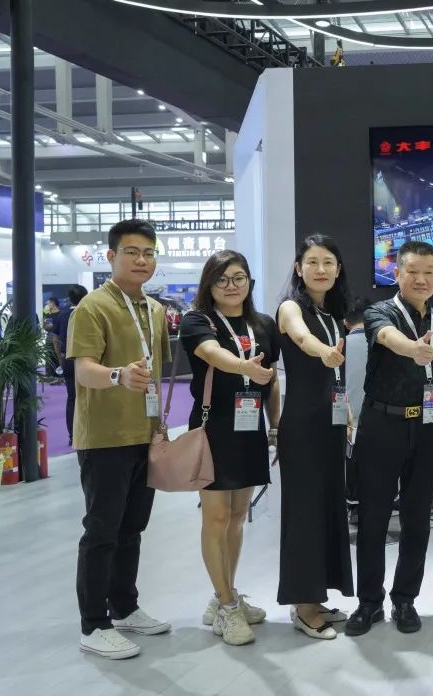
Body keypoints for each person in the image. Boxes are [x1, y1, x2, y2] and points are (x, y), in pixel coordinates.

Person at [67, 219, 172, 659]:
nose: (142, 260)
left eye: (149, 253)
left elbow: (158, 371)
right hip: (104, 438)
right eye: (132, 252)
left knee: (132, 529)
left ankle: (125, 607)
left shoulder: (156, 310)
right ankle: (93, 625)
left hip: (144, 435)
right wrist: (118, 375)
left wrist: (160, 424)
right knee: (102, 531)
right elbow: (83, 370)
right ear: (111, 256)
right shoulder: (92, 307)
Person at [347, 240, 433, 636]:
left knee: (418, 519)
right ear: (397, 274)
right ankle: (368, 603)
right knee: (373, 518)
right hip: (382, 425)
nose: (421, 279)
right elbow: (387, 338)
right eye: (413, 272)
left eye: (429, 272)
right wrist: (413, 349)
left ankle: (405, 599)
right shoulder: (380, 312)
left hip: (425, 428)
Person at [179, 251, 281, 646]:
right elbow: (212, 354)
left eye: (239, 278)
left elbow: (271, 380)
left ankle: (225, 595)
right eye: (221, 279)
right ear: (209, 285)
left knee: (238, 516)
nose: (231, 286)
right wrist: (244, 368)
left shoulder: (264, 324)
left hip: (250, 427)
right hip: (214, 428)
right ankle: (227, 606)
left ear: (249, 282)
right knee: (217, 517)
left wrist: (276, 426)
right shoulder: (197, 321)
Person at [276, 234, 355, 640]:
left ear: (338, 270)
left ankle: (317, 596)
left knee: (328, 509)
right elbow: (301, 338)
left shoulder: (332, 313)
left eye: (328, 262)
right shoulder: (291, 308)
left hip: (331, 423)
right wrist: (321, 351)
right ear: (298, 268)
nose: (320, 269)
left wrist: (347, 409)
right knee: (304, 514)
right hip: (303, 426)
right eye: (312, 262)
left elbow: (335, 375)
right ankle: (303, 606)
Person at [53, 285, 88, 446]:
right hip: (88, 360)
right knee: (91, 396)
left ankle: (73, 436)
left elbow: (55, 340)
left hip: (68, 359)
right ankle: (88, 434)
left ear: (69, 298)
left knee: (72, 398)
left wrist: (60, 358)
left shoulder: (62, 315)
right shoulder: (90, 313)